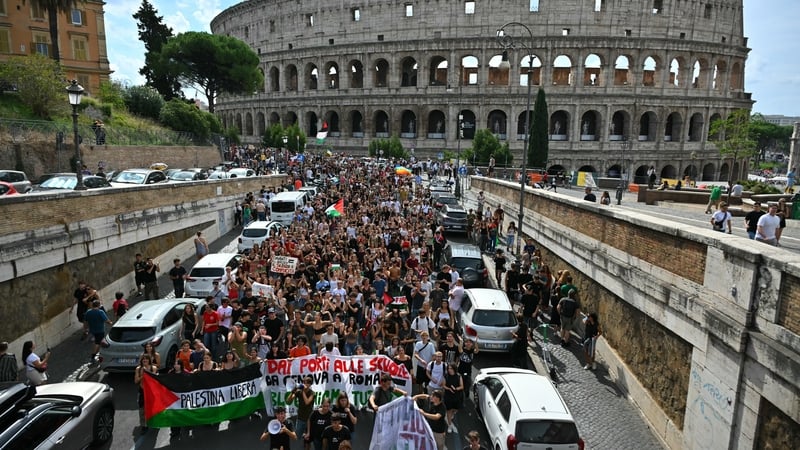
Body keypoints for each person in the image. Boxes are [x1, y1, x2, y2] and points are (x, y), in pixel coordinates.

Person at [287, 376, 315, 450]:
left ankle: (306, 443)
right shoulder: (299, 392)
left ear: (310, 384)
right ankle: (304, 436)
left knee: (308, 441)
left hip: (309, 419)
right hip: (300, 418)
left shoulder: (312, 393)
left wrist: (302, 391)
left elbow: (307, 402)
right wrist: (293, 391)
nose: (305, 384)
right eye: (304, 382)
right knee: (297, 436)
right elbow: (288, 401)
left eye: (307, 383)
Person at [134, 353, 158, 434]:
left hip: (151, 391)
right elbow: (136, 381)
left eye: (146, 359)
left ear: (149, 360)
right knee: (142, 409)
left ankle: (154, 422)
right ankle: (144, 425)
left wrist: (147, 372)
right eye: (143, 359)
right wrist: (142, 375)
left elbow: (155, 379)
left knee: (152, 408)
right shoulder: (138, 369)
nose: (145, 360)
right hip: (142, 390)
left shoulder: (153, 368)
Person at [443, 363, 464, 433]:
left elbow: (462, 386)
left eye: (451, 368)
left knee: (455, 409)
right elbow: (443, 385)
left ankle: (451, 416)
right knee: (449, 410)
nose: (449, 370)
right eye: (448, 368)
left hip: (457, 396)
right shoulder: (446, 376)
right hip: (448, 396)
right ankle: (450, 425)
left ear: (454, 369)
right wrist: (449, 389)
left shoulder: (458, 376)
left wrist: (456, 389)